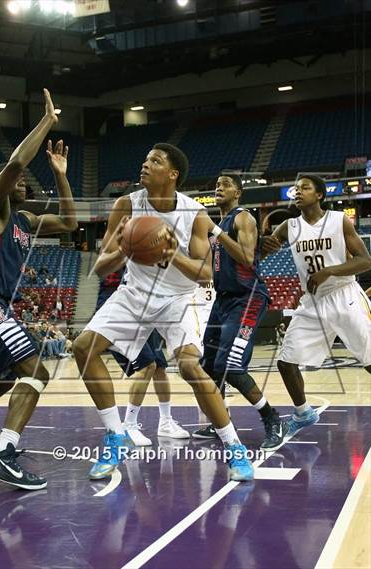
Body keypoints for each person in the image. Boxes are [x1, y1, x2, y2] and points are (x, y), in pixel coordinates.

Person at [74, 143, 253, 481]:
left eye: (154, 161)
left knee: (188, 365)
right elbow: (100, 266)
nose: (145, 164)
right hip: (136, 292)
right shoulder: (126, 204)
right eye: (144, 159)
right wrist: (126, 249)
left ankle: (235, 448)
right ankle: (116, 436)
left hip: (182, 297)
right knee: (83, 348)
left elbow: (205, 274)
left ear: (172, 174)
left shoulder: (194, 214)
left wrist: (170, 252)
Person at [0, 89, 78, 490]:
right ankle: (4, 455)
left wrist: (60, 174)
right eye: (17, 179)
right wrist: (45, 122)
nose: (23, 180)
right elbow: (15, 161)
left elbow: (72, 224)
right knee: (36, 372)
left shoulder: (24, 219)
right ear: (2, 185)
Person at [262, 174, 371, 436]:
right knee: (286, 361)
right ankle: (302, 413)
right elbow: (264, 252)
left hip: (345, 295)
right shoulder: (288, 226)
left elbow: (365, 260)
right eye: (295, 189)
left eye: (305, 188)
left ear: (319, 194)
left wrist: (329, 271)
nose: (297, 192)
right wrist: (260, 245)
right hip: (312, 302)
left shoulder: (338, 220)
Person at [192, 174, 287, 450]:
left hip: (247, 299)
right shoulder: (220, 224)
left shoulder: (242, 217)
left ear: (238, 192)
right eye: (217, 183)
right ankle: (222, 421)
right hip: (223, 301)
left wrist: (216, 232)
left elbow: (246, 258)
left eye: (225, 184)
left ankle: (272, 418)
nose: (218, 187)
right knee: (208, 366)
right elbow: (245, 259)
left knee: (231, 367)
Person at [94, 269, 189, 445]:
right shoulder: (123, 249)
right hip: (118, 312)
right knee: (148, 366)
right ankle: (129, 425)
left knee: (160, 367)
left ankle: (166, 421)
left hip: (143, 311)